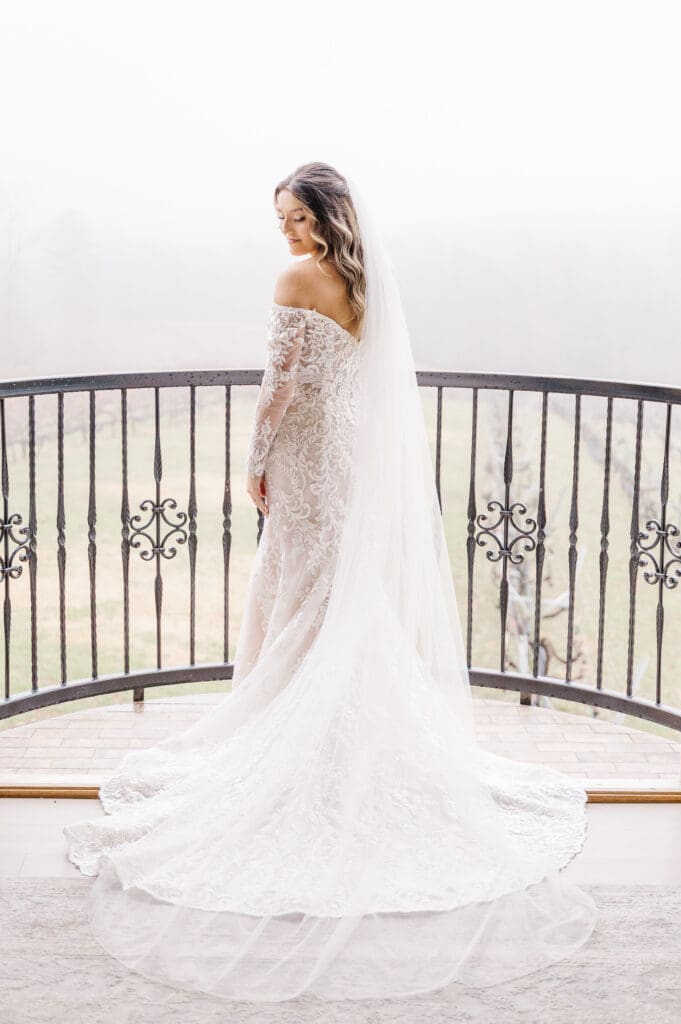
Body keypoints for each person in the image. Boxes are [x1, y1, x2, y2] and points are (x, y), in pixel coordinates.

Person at [63, 162, 597, 1004]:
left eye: (294, 216)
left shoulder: (294, 279)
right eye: (279, 218)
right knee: (334, 599)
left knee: (304, 596)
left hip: (309, 462)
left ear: (323, 215)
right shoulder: (361, 282)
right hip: (344, 462)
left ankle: (301, 744)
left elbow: (279, 388)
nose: (284, 231)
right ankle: (347, 732)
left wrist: (253, 463)